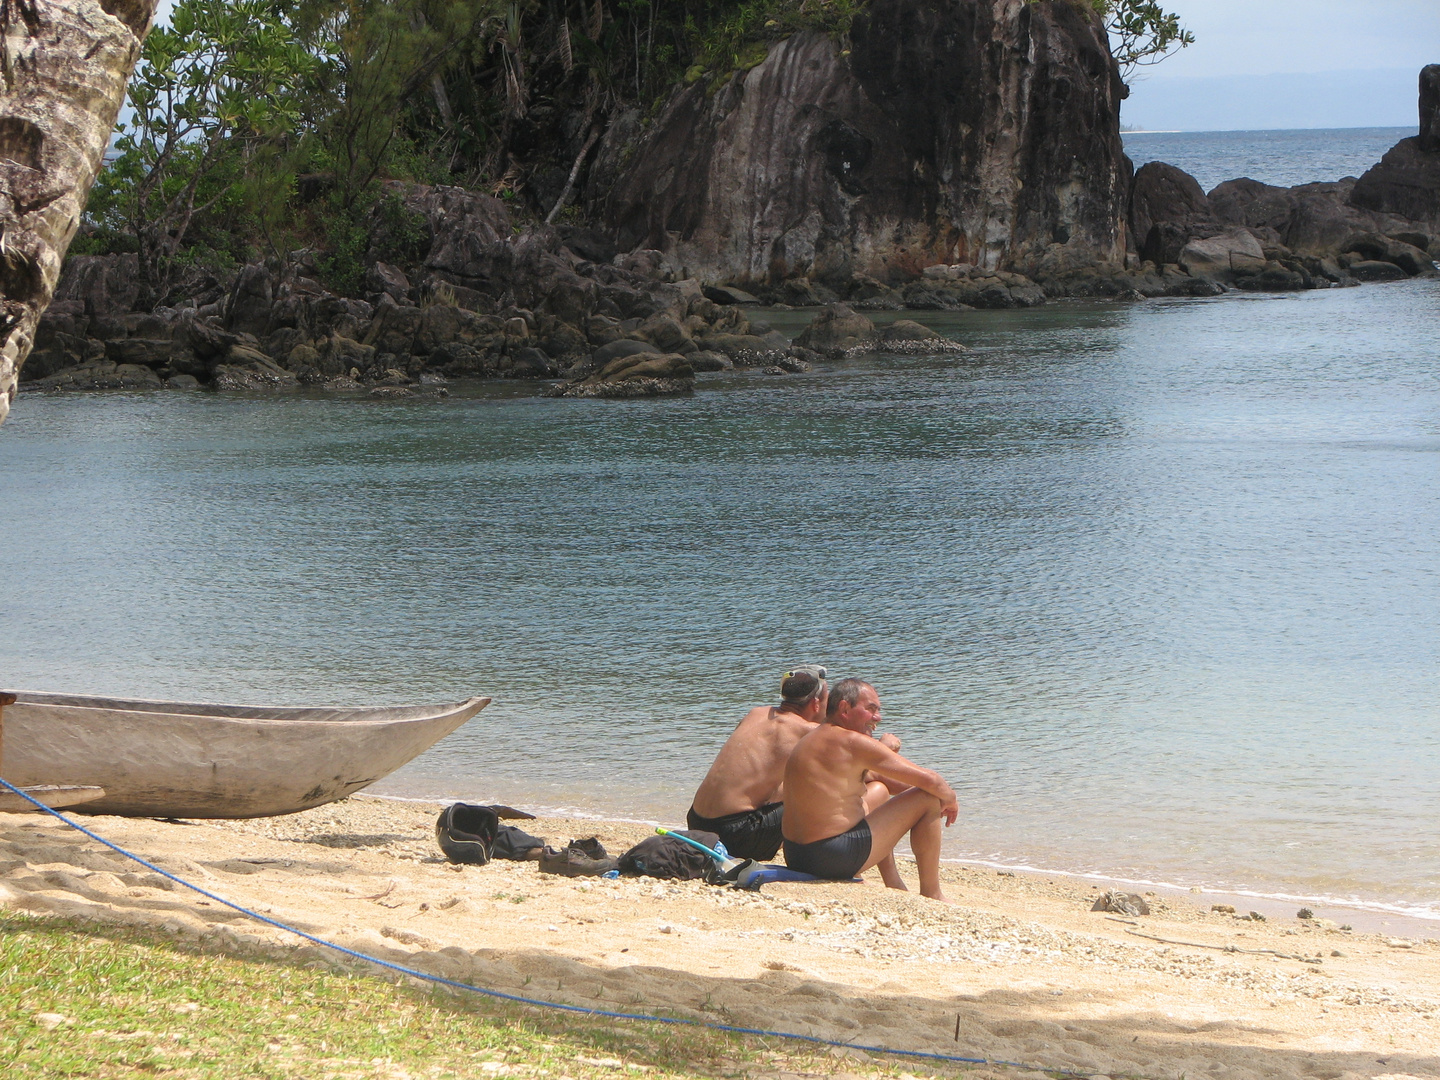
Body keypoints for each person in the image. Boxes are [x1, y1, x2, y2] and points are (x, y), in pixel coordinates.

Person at [781, 678, 957, 902]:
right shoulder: (851, 741)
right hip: (831, 858)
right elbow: (932, 782)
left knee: (879, 791)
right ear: (845, 708)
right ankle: (933, 893)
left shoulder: (812, 737)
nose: (878, 718)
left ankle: (893, 883)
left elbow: (886, 781)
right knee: (928, 798)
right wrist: (949, 799)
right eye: (871, 709)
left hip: (797, 855)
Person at [686, 666, 831, 861]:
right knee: (823, 791)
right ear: (815, 704)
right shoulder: (809, 731)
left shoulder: (755, 714)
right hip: (737, 835)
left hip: (696, 824)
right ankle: (821, 859)